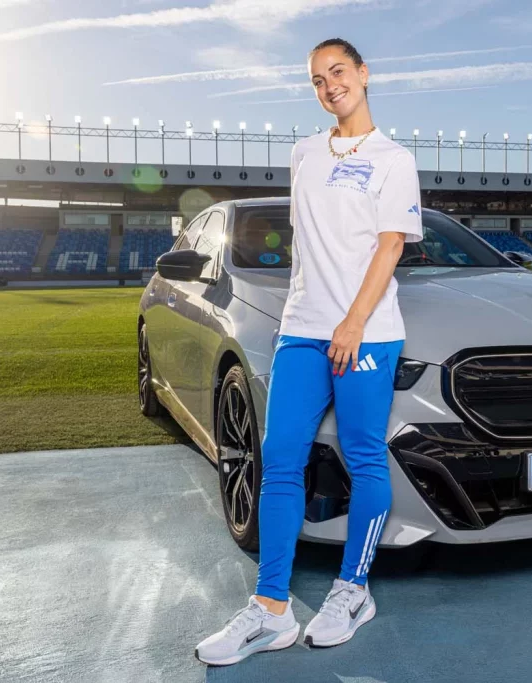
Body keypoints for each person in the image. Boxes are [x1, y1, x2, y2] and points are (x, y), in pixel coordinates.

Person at [195, 38, 424, 666]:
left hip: (367, 333)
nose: (329, 86)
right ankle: (271, 610)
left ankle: (353, 589)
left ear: (364, 74)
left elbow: (389, 248)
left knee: (362, 456)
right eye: (318, 79)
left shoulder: (393, 160)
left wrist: (351, 323)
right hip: (301, 329)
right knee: (281, 457)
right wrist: (318, 320)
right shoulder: (302, 154)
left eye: (339, 72)